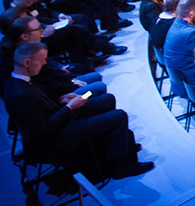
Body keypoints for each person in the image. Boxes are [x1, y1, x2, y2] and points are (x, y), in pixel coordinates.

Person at [4, 41, 154, 180]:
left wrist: (62, 99)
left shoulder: (23, 79)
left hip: (59, 121)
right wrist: (69, 107)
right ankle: (123, 167)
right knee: (119, 117)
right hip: (54, 140)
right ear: (27, 62)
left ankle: (118, 146)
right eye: (41, 59)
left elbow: (40, 105)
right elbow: (43, 129)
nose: (44, 63)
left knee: (107, 99)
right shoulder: (20, 94)